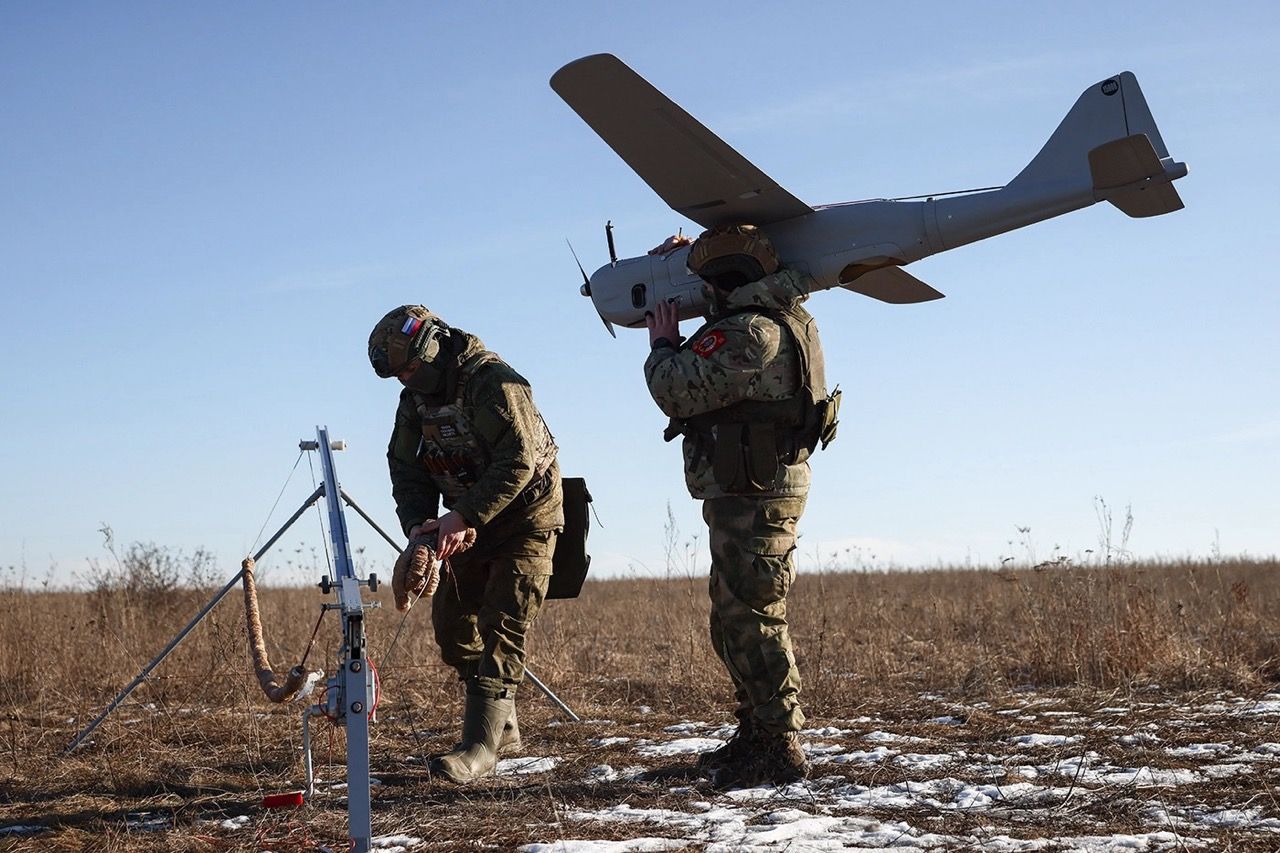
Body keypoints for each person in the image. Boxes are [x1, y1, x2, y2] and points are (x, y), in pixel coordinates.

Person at [643, 224, 839, 788]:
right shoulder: (775, 317)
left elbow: (674, 389)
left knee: (753, 615)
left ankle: (779, 744)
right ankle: (756, 733)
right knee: (732, 618)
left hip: (756, 493)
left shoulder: (752, 331)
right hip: (746, 487)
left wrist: (663, 344)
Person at [368, 305, 563, 783]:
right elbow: (406, 467)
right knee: (452, 625)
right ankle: (502, 726)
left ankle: (480, 747)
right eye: (398, 376)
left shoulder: (492, 382)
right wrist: (418, 527)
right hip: (465, 521)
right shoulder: (415, 401)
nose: (406, 381)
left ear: (434, 348)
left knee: (504, 622)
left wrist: (464, 515)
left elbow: (518, 460)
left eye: (411, 369)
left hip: (525, 520)